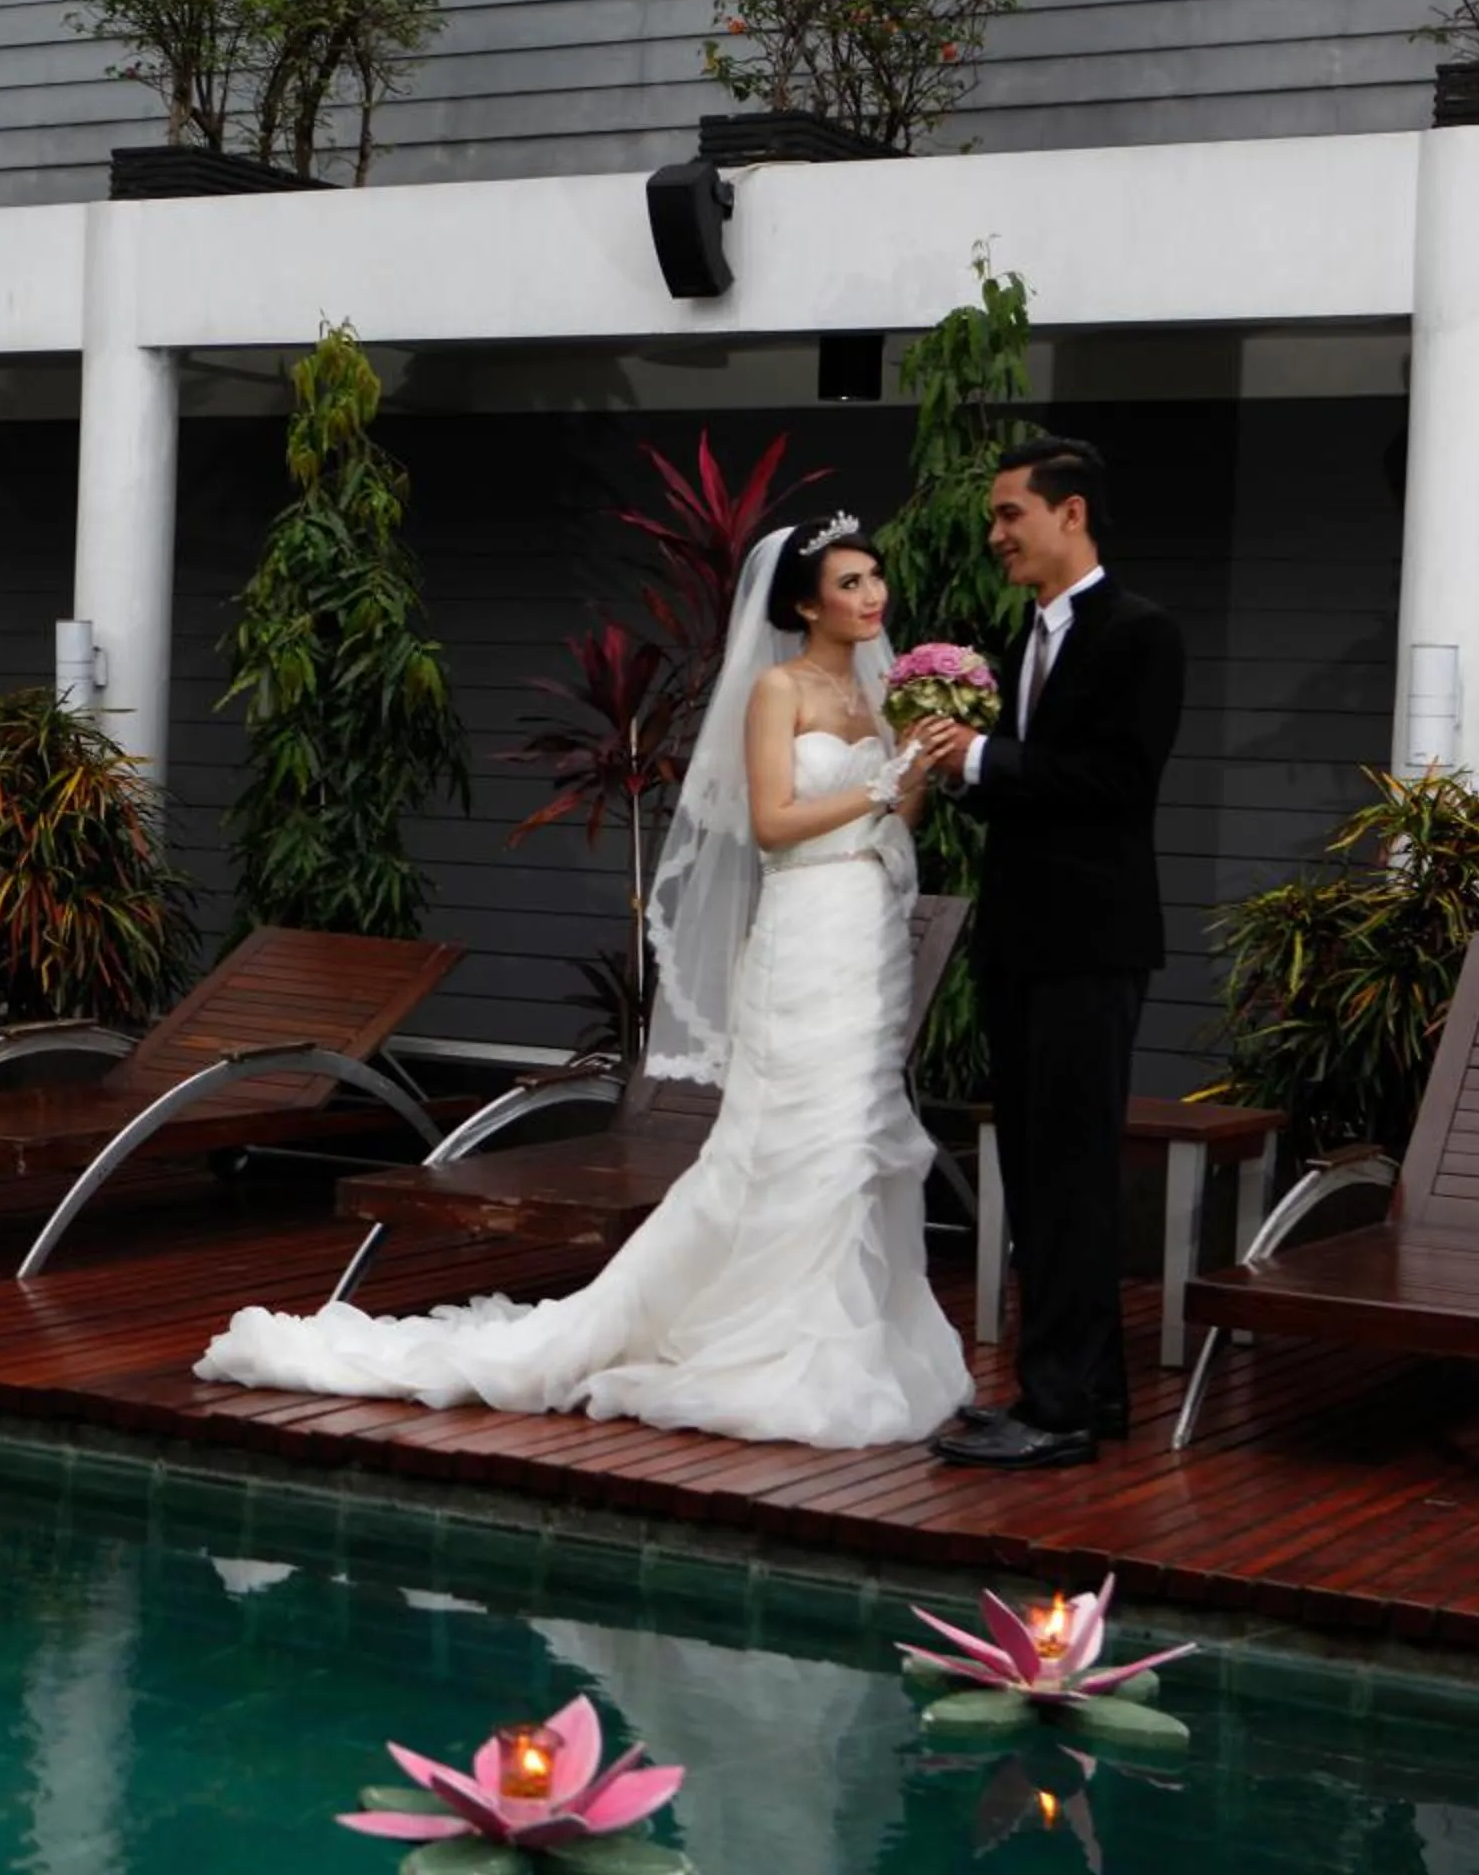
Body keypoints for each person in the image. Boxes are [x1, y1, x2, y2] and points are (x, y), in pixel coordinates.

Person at [192, 513, 973, 1449]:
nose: (871, 595)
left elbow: (898, 821)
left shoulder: (882, 691)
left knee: (857, 1136)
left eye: (874, 579)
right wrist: (884, 784)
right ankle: (770, 1339)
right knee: (796, 1137)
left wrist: (920, 762)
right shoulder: (779, 689)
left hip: (870, 927)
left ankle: (858, 1339)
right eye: (849, 583)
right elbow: (772, 822)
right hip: (804, 925)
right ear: (806, 602)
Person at [907, 436, 1184, 1471]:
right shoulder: (1015, 637)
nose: (994, 535)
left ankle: (1061, 1408)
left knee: (1071, 1173)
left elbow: (1115, 780)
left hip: (1093, 942)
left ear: (1072, 514)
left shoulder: (1144, 635)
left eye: (1010, 513)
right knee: (1031, 1170)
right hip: (1021, 937)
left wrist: (983, 755)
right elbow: (1020, 790)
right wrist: (958, 768)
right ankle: (1075, 1391)